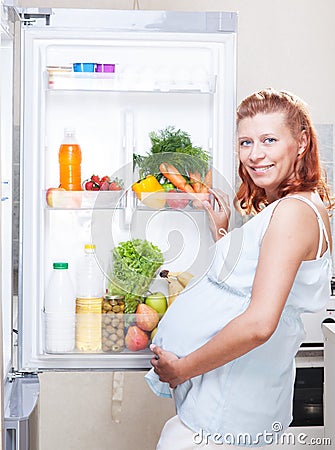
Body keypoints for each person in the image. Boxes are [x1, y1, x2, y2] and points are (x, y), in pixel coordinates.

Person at [144, 88, 333, 449]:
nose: (255, 154)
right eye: (246, 142)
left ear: (302, 142)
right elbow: (246, 284)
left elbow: (259, 324)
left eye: (269, 140)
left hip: (228, 410)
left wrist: (181, 371)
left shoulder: (293, 212)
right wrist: (222, 228)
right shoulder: (291, 206)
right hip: (227, 403)